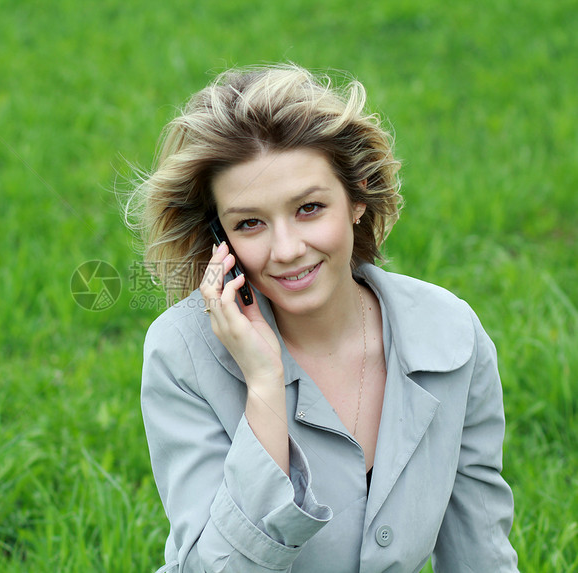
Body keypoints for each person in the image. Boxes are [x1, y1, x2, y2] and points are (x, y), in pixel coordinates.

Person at [124, 63, 519, 572]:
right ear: (221, 240)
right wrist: (264, 389)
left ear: (356, 198)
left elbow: (480, 554)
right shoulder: (182, 354)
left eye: (309, 208)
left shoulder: (449, 334)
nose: (286, 249)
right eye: (250, 223)